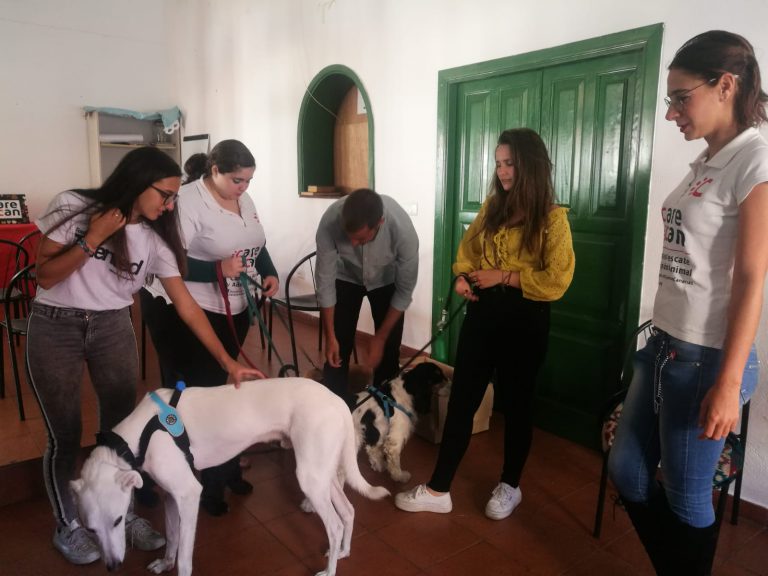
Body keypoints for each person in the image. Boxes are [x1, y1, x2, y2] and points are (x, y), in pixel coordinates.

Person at [28, 146, 264, 566]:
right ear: (138, 183)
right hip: (55, 323)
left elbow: (187, 306)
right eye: (165, 194)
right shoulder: (74, 205)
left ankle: (125, 514)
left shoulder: (156, 238)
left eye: (174, 196)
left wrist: (228, 362)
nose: (171, 204)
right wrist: (94, 237)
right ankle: (69, 523)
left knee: (119, 434)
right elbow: (43, 275)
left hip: (112, 326)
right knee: (64, 435)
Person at [606, 30, 768, 575]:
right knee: (627, 471)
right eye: (668, 99)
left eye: (681, 97)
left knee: (686, 497)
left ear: (726, 86)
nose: (672, 112)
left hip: (706, 361)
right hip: (664, 346)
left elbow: (750, 278)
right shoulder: (708, 161)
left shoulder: (756, 159)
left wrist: (726, 384)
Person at [395, 128, 575, 520]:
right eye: (498, 163)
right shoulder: (493, 207)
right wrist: (463, 277)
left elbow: (556, 280)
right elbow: (467, 251)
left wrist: (505, 277)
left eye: (509, 163)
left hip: (526, 319)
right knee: (462, 399)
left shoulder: (552, 218)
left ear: (530, 165)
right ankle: (440, 488)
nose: (503, 171)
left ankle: (510, 485)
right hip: (483, 315)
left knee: (518, 404)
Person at [141, 139, 279, 517]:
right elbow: (167, 261)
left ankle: (225, 468)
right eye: (238, 180)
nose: (244, 188)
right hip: (184, 308)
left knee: (222, 389)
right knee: (202, 394)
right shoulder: (186, 202)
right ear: (214, 172)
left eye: (249, 181)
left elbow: (256, 241)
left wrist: (268, 271)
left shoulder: (243, 199)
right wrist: (216, 269)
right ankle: (205, 480)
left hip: (232, 306)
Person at [315, 188, 419, 405]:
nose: (352, 244)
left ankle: (384, 410)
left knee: (389, 350)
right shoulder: (329, 222)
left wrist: (379, 338)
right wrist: (330, 336)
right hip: (345, 277)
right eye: (348, 237)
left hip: (385, 280)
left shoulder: (402, 231)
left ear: (379, 223)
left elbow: (403, 291)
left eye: (360, 239)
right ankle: (334, 411)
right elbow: (325, 283)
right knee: (337, 347)